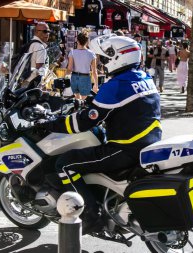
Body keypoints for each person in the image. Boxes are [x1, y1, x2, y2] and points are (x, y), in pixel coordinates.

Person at [38, 34, 162, 234]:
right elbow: (120, 106)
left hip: (124, 149)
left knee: (65, 164)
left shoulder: (116, 85)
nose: (103, 63)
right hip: (147, 143)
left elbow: (85, 121)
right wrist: (91, 101)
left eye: (105, 58)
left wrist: (52, 124)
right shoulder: (145, 78)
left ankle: (91, 215)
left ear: (118, 57)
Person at [67, 30, 98, 100]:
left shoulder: (72, 53)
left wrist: (65, 77)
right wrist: (96, 84)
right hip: (85, 78)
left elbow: (69, 69)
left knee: (76, 101)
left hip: (74, 77)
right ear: (87, 41)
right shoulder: (91, 54)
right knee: (85, 102)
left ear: (77, 41)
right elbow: (94, 71)